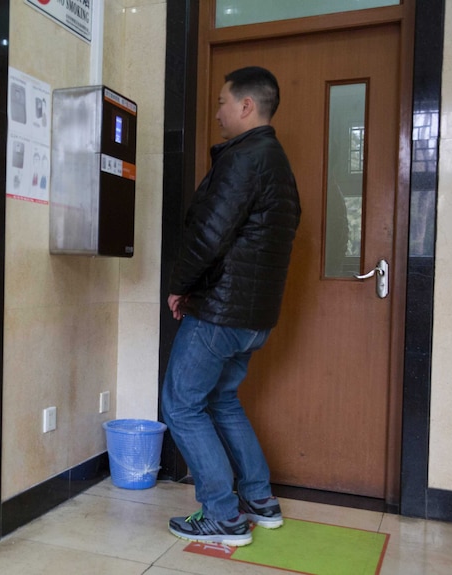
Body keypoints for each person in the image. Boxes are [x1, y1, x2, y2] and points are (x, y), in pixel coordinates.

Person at [162, 66, 301, 546]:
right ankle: (260, 500)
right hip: (254, 317)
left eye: (223, 101)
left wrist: (180, 285)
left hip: (220, 311)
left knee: (181, 404)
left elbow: (208, 235)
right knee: (220, 399)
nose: (217, 111)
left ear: (246, 106)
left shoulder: (245, 159)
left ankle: (223, 514)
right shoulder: (277, 162)